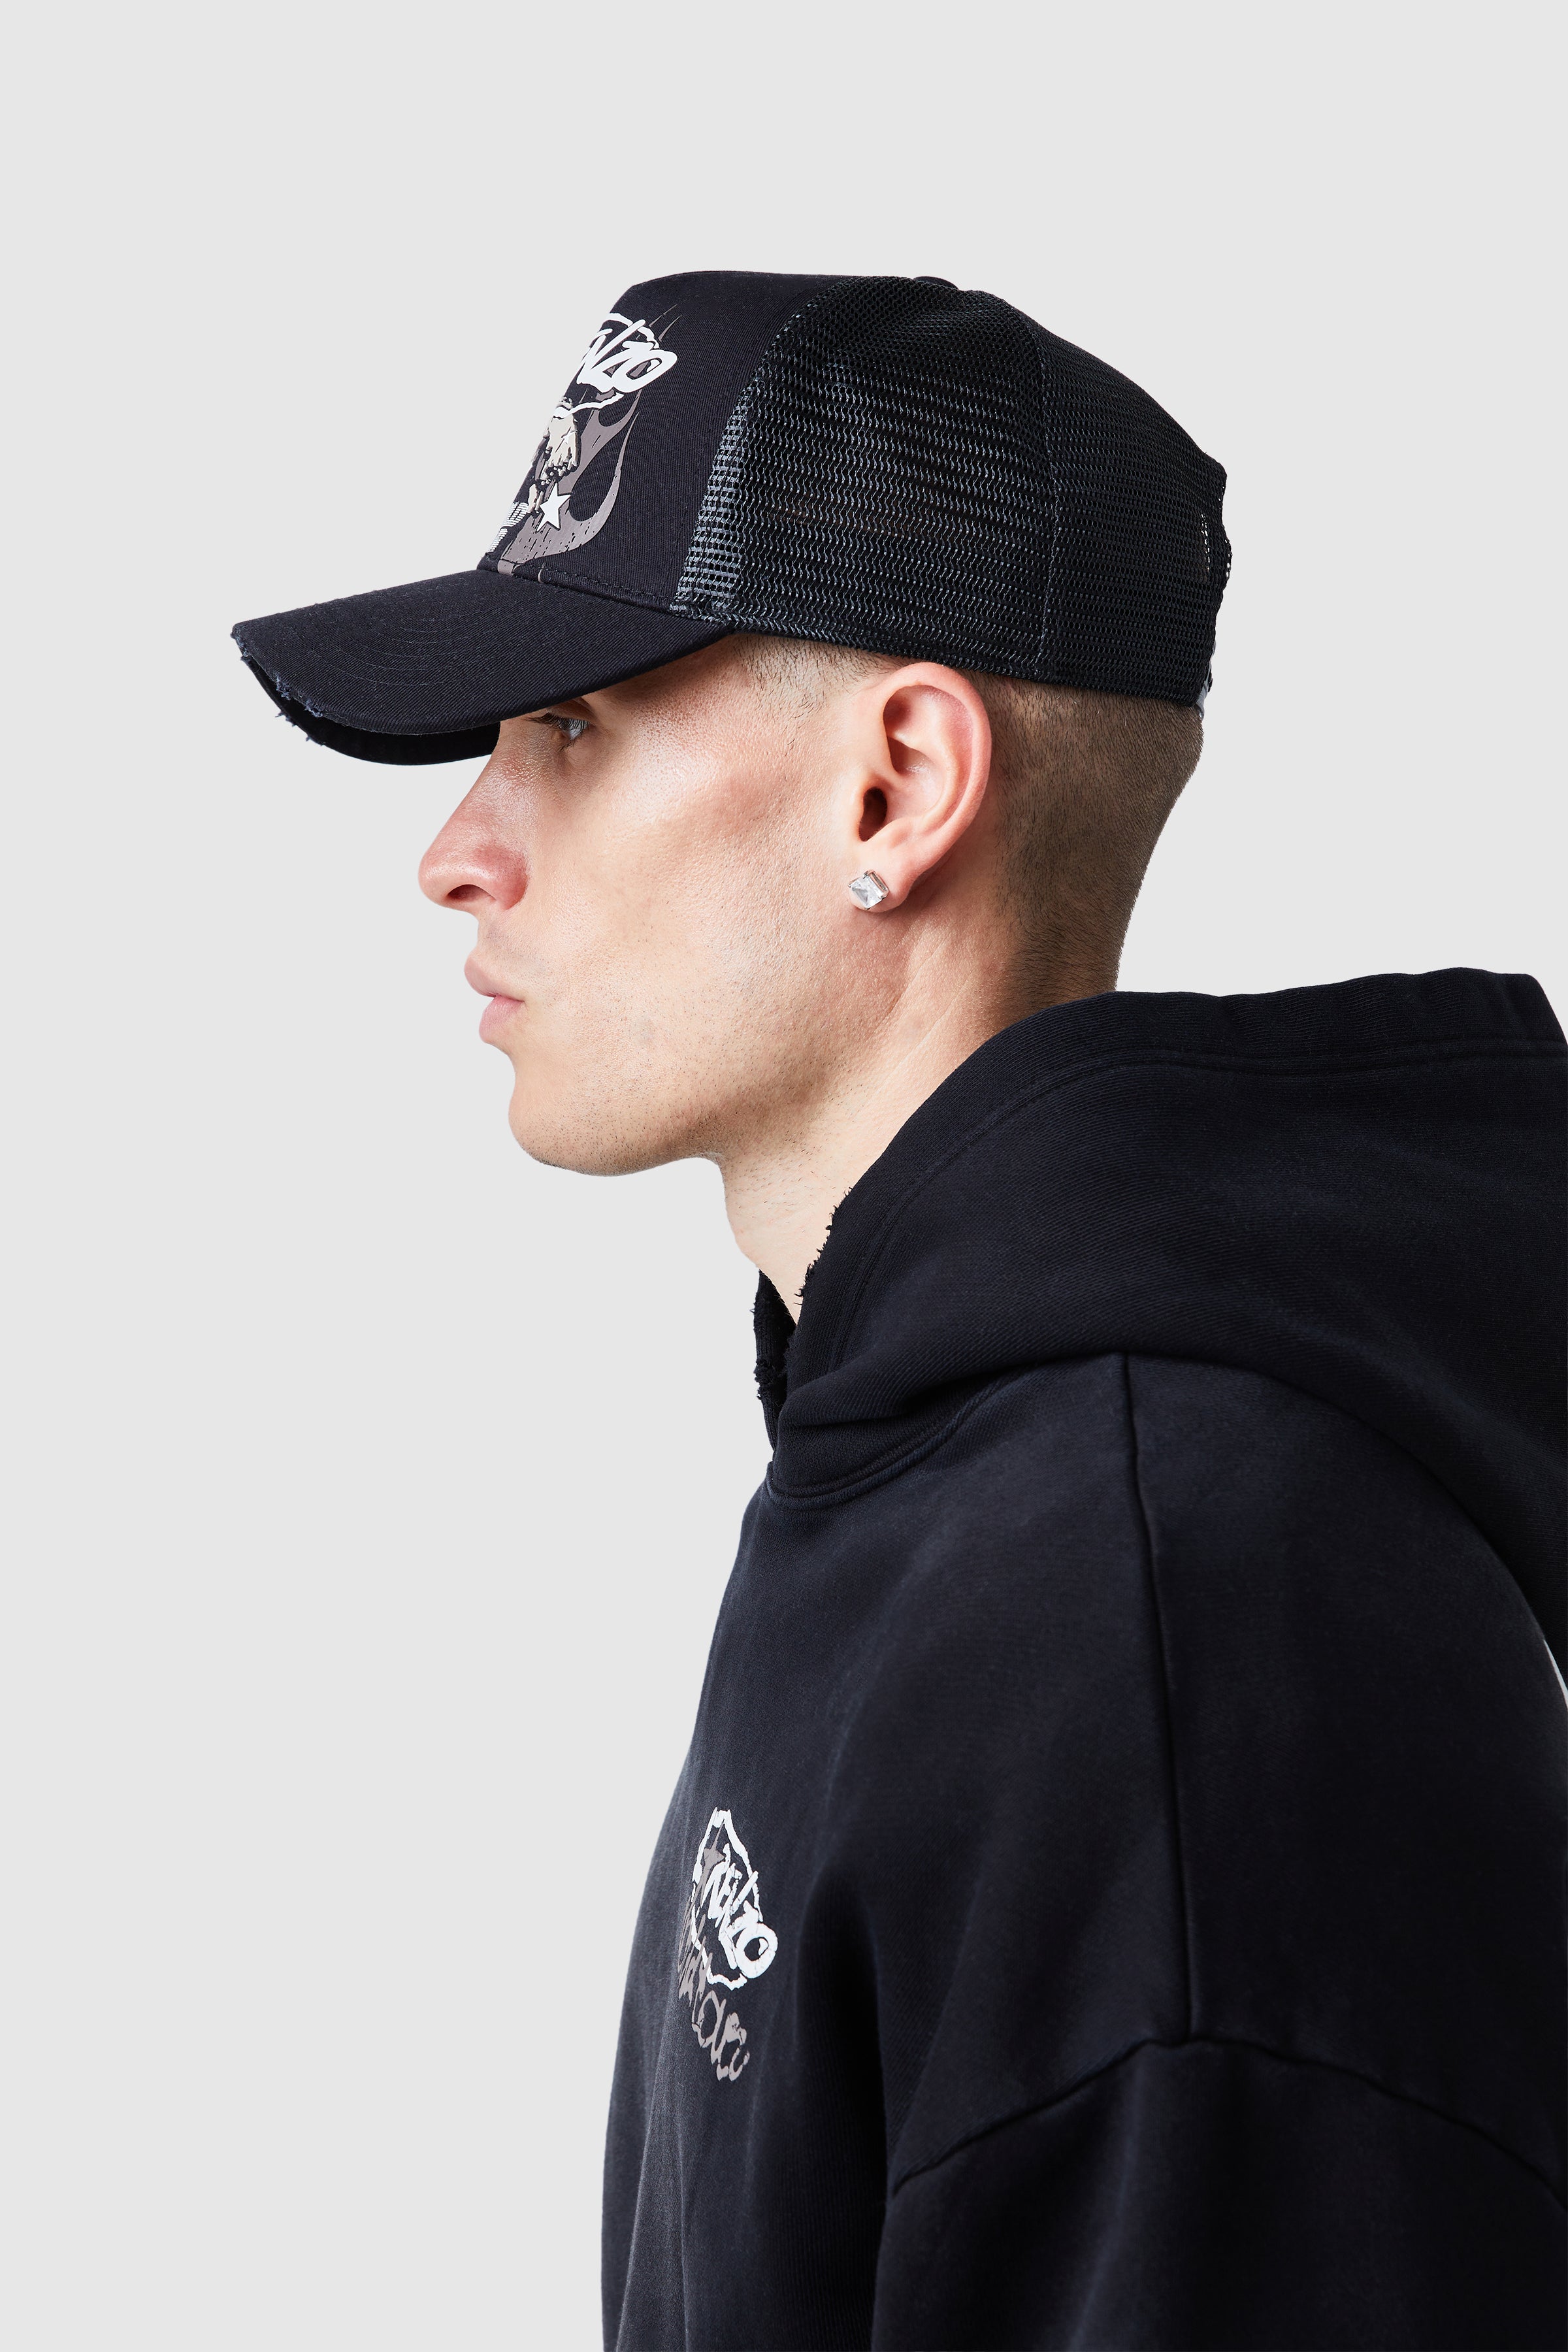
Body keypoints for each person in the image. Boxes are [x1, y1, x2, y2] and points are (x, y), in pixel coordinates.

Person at [233, 271, 1566, 2351]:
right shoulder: (926, 1457)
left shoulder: (1163, 1626)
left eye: (570, 727)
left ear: (895, 787)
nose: (456, 853)